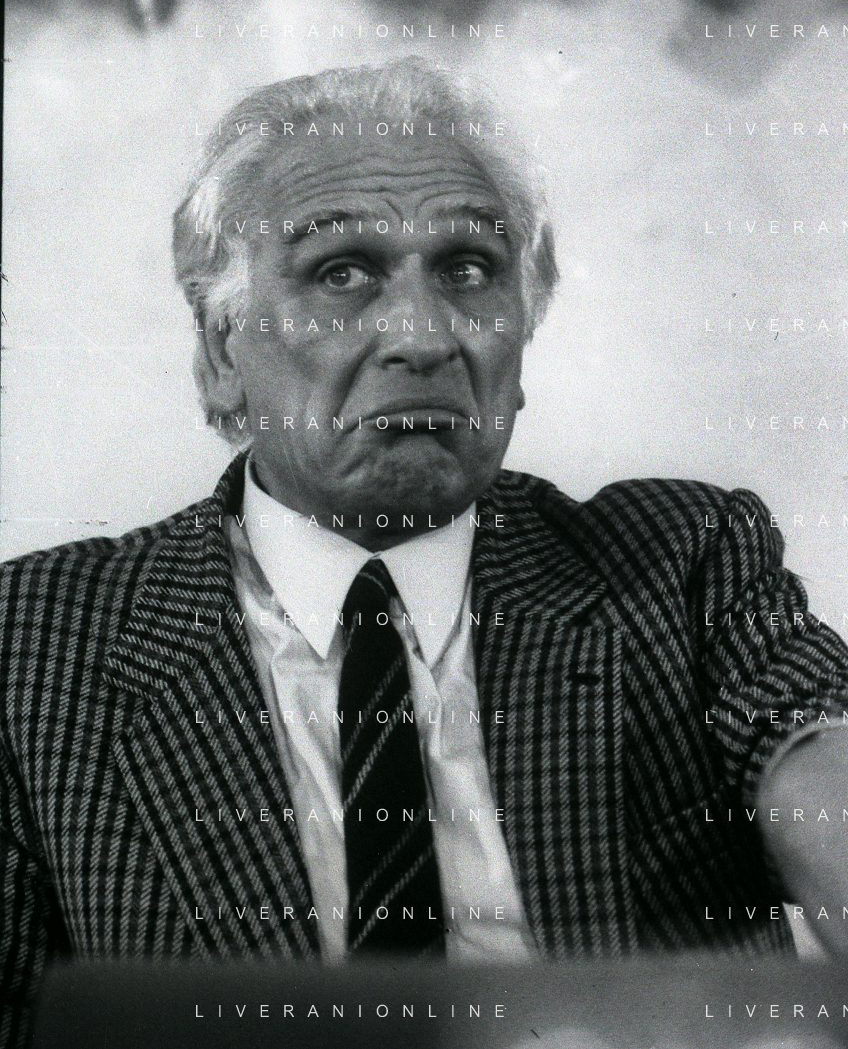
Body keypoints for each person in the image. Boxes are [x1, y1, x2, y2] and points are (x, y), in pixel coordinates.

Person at [2, 57, 847, 1047]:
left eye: (467, 270)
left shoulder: (679, 558)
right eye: (341, 272)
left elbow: (812, 746)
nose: (423, 335)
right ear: (222, 351)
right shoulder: (32, 643)